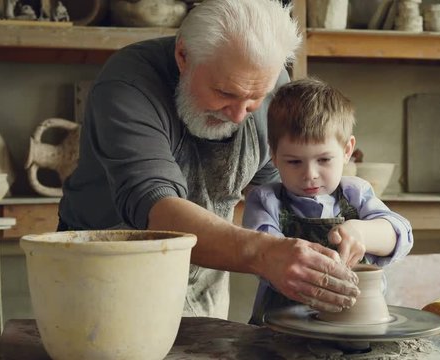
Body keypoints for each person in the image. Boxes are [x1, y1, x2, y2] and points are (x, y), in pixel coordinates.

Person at [58, 0, 360, 320]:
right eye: (226, 93)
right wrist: (264, 253)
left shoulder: (274, 89)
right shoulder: (128, 84)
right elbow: (157, 211)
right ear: (183, 56)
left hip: (206, 286)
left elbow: (287, 195)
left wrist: (349, 232)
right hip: (105, 286)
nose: (239, 114)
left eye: (255, 98)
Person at [242, 78, 414, 325]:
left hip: (354, 326)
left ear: (347, 150)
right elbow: (267, 255)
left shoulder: (355, 193)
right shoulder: (266, 201)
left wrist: (363, 232)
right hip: (281, 330)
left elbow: (402, 235)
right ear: (274, 155)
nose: (310, 174)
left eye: (323, 160)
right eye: (294, 162)